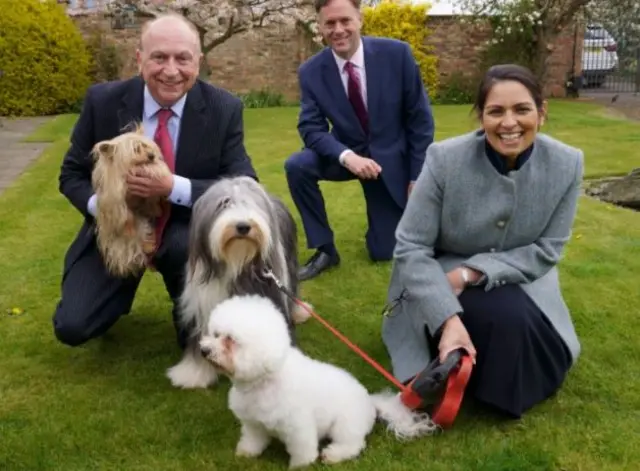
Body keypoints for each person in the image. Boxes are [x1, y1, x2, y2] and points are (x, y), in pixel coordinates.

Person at [382, 64, 584, 420]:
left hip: (521, 277)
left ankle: (465, 368)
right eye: (496, 111)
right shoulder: (444, 159)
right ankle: (453, 352)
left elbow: (547, 250)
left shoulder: (568, 163)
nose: (509, 123)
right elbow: (411, 247)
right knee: (504, 318)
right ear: (481, 117)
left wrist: (469, 274)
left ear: (542, 111)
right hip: (436, 276)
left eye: (522, 109)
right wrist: (446, 316)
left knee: (516, 318)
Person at [52, 13, 257, 349]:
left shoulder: (224, 107)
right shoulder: (102, 101)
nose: (171, 70)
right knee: (73, 326)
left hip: (184, 231)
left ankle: (189, 306)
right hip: (116, 232)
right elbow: (71, 174)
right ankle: (114, 296)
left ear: (199, 62)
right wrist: (108, 208)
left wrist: (171, 188)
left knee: (196, 341)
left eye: (183, 58)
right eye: (159, 57)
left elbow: (244, 182)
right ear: (139, 59)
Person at [284, 0, 435, 281]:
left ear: (360, 20)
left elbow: (420, 121)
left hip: (391, 160)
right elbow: (311, 128)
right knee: (297, 165)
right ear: (320, 27)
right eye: (329, 23)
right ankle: (325, 249)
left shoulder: (397, 55)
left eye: (345, 21)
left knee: (384, 251)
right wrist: (347, 157)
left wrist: (417, 176)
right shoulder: (311, 71)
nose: (338, 30)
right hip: (346, 156)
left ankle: (386, 225)